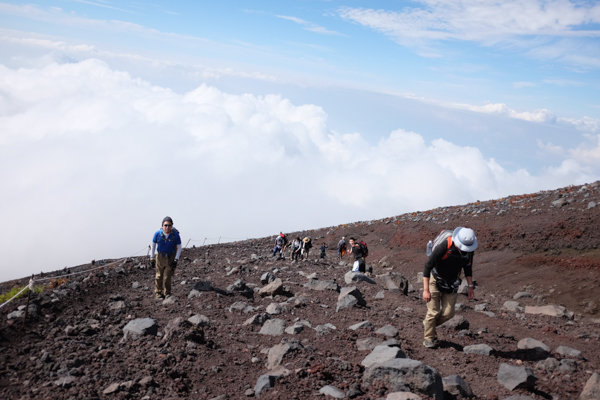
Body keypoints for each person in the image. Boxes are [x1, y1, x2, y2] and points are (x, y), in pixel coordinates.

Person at [422, 227, 477, 349]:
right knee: (433, 312)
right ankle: (429, 339)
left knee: (449, 313)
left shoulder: (469, 250)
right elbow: (428, 266)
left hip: (452, 282)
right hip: (435, 279)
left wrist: (470, 287)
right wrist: (425, 290)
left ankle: (428, 324)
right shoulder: (445, 246)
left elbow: (468, 268)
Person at [150, 216, 182, 299]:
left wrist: (176, 260)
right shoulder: (157, 234)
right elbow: (153, 246)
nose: (167, 227)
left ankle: (167, 293)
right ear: (162, 225)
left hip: (171, 257)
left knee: (167, 276)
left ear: (172, 226)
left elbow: (179, 247)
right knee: (159, 276)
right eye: (165, 225)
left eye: (169, 225)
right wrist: (152, 258)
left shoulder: (175, 235)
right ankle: (158, 292)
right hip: (160, 256)